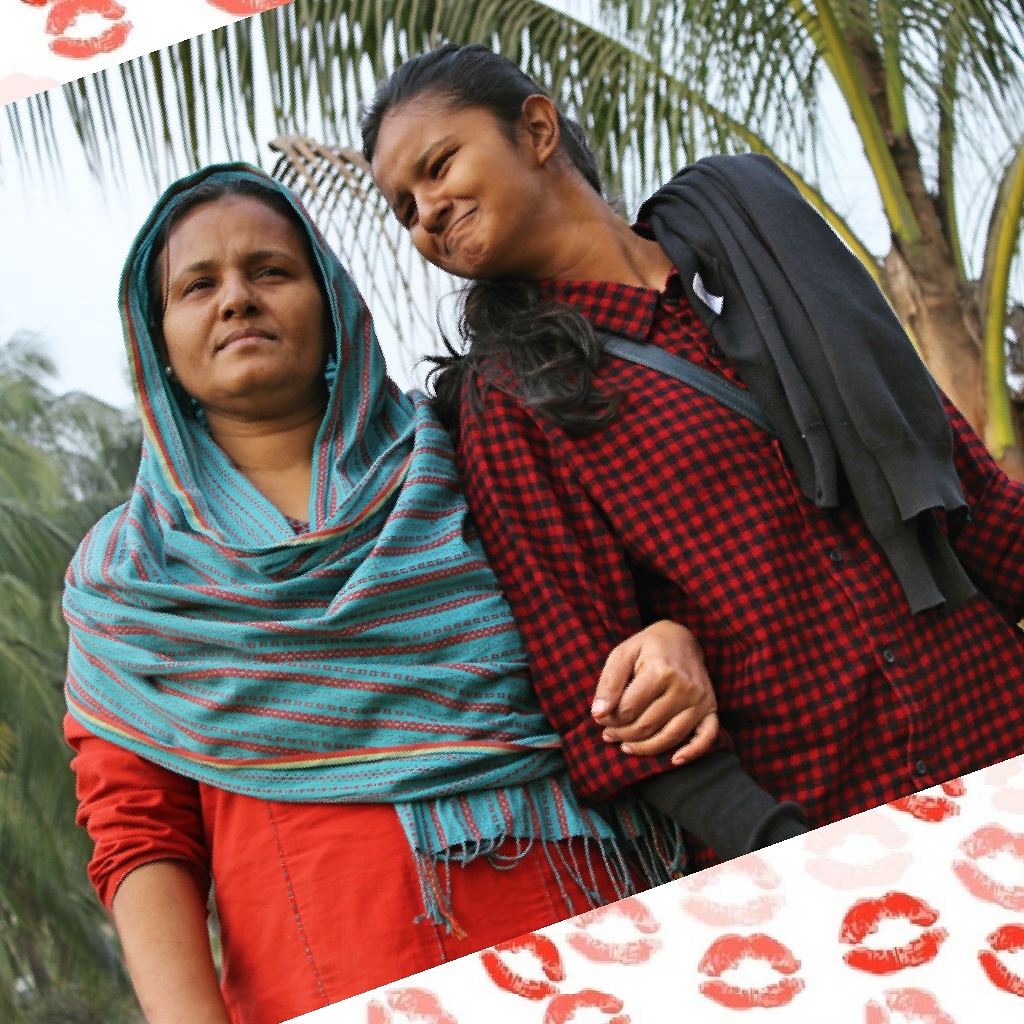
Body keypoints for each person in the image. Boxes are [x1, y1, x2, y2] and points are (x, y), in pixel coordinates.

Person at [62, 164, 800, 1024]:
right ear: (156, 336)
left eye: (271, 271)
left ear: (332, 304)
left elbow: (624, 591)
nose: (237, 299)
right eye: (198, 285)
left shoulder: (469, 444)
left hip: (605, 950)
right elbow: (140, 834)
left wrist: (670, 635)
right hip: (328, 979)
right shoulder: (129, 577)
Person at [362, 43, 1024, 871]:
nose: (425, 212)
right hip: (831, 820)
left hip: (993, 713)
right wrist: (776, 848)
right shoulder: (513, 402)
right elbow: (593, 688)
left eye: (438, 166)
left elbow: (971, 499)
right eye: (404, 207)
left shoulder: (764, 265)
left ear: (535, 129)